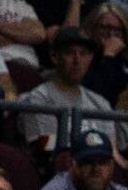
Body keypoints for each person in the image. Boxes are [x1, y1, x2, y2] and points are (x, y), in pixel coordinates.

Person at [16, 25, 115, 154]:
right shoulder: (39, 98)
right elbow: (49, 153)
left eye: (83, 53)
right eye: (69, 53)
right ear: (54, 57)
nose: (77, 60)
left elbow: (112, 154)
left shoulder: (100, 103)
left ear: (90, 58)